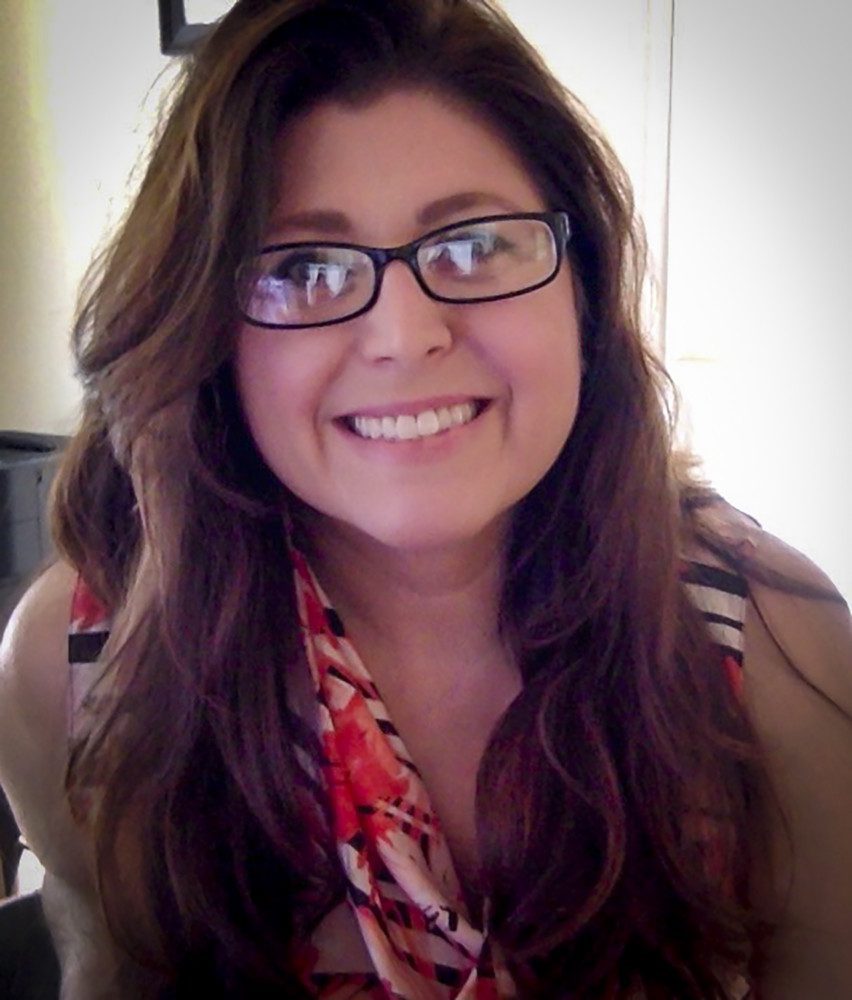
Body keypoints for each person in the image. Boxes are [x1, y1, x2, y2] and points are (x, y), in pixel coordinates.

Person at [0, 0, 850, 996]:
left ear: (582, 285)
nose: (405, 336)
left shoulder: (774, 643)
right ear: (205, 331)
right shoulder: (78, 667)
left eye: (475, 246)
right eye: (304, 268)